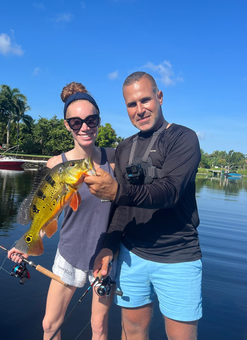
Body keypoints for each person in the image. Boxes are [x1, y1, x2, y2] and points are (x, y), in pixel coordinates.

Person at [84, 71, 202, 340]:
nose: (140, 109)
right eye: (131, 104)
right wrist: (108, 245)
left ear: (159, 97)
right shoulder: (125, 147)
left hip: (178, 257)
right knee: (133, 332)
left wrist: (118, 191)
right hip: (131, 255)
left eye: (145, 100)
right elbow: (122, 208)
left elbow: (170, 192)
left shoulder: (183, 138)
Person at [8, 81, 116, 340]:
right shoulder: (55, 164)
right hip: (68, 253)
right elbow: (46, 213)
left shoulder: (115, 157)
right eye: (76, 122)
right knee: (49, 325)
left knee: (99, 327)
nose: (85, 127)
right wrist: (25, 244)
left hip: (105, 258)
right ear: (67, 125)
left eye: (91, 120)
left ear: (98, 121)